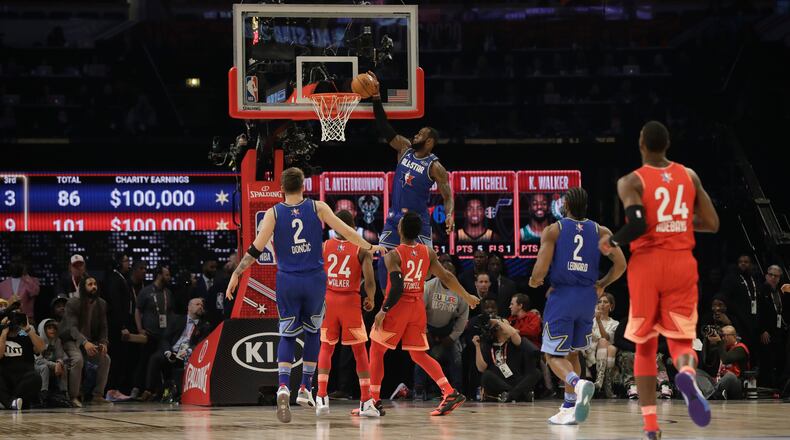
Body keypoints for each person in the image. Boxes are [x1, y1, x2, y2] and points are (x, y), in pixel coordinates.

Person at [225, 167, 385, 424]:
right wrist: (370, 246)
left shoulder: (273, 213)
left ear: (281, 189)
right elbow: (347, 231)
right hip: (314, 282)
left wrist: (236, 273)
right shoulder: (318, 207)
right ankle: (305, 387)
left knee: (287, 334)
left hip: (287, 281)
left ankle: (283, 386)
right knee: (312, 333)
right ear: (303, 186)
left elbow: (255, 249)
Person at [599, 121, 720, 438]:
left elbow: (637, 224)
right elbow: (711, 222)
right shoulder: (689, 175)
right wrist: (677, 221)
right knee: (681, 341)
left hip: (648, 266)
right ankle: (687, 373)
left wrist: (612, 241)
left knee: (645, 347)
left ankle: (651, 426)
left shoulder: (631, 181)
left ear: (641, 143)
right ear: (667, 144)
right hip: (681, 263)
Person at [530, 187, 626, 425]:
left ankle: (578, 383)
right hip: (587, 298)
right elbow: (621, 265)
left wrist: (534, 281)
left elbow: (540, 270)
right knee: (573, 352)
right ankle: (569, 407)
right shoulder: (601, 232)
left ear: (565, 206)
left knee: (552, 356)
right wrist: (602, 284)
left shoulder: (554, 230)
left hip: (563, 296)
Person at [369, 211, 480, 416]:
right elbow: (446, 276)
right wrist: (467, 296)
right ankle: (449, 392)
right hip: (417, 308)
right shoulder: (427, 252)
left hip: (398, 308)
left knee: (376, 351)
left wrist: (383, 310)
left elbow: (397, 287)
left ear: (400, 229)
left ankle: (373, 401)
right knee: (418, 354)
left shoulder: (393, 255)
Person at [368, 72, 454, 290]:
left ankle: (416, 299)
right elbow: (384, 127)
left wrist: (449, 214)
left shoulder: (435, 167)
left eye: (420, 134)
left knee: (427, 268)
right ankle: (386, 300)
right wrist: (376, 97)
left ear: (430, 141)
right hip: (395, 217)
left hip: (418, 221)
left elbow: (448, 196)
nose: (416, 136)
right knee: (382, 259)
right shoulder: (404, 149)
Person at [316, 210, 378, 417]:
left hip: (330, 300)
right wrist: (371, 298)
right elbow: (370, 280)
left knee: (326, 347)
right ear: (352, 227)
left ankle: (321, 397)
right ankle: (366, 400)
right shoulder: (362, 248)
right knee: (359, 351)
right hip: (350, 302)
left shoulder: (325, 246)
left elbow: (315, 273)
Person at [413, 261, 469, 400]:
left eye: (450, 270)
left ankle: (456, 391)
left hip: (448, 330)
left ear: (454, 273)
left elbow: (463, 317)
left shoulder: (460, 290)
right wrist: (425, 332)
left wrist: (452, 337)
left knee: (456, 359)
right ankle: (418, 390)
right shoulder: (428, 286)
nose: (447, 272)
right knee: (420, 357)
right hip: (427, 328)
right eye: (444, 269)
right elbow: (419, 311)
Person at [143, 298, 210, 402]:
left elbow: (200, 344)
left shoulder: (204, 325)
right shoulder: (177, 319)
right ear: (189, 307)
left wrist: (188, 351)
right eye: (197, 304)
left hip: (187, 354)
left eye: (202, 305)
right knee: (155, 358)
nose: (201, 307)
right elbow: (165, 338)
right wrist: (168, 352)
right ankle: (149, 390)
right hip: (172, 351)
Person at [59, 276, 111, 407]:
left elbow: (104, 327)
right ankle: (73, 396)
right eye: (90, 284)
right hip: (71, 339)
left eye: (95, 284)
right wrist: (84, 342)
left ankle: (98, 395)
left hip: (89, 341)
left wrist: (104, 342)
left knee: (105, 359)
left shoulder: (101, 304)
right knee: (78, 359)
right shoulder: (73, 303)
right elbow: (72, 328)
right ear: (83, 287)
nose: (94, 287)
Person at [472, 317, 540, 402]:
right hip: (500, 382)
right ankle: (520, 394)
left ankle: (510, 395)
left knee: (536, 372)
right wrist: (477, 347)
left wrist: (498, 321)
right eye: (504, 325)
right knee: (486, 375)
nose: (508, 327)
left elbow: (514, 333)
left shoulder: (514, 342)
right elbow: (481, 368)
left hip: (517, 380)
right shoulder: (489, 345)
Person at [134, 264, 174, 400]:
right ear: (159, 275)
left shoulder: (168, 293)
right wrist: (140, 329)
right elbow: (138, 310)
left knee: (164, 363)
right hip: (150, 334)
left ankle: (161, 392)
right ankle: (139, 389)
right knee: (145, 362)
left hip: (165, 336)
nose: (169, 277)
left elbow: (171, 313)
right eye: (167, 275)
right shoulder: (146, 291)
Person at [0, 310, 45, 410]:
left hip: (22, 381)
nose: (14, 322)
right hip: (5, 380)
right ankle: (10, 402)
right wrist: (3, 332)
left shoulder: (26, 337)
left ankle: (10, 401)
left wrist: (28, 329)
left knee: (36, 377)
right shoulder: (1, 336)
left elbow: (41, 348)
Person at [104, 252, 132, 393]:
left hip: (119, 325)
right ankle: (111, 389)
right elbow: (116, 305)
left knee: (121, 358)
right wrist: (122, 326)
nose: (128, 264)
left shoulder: (121, 278)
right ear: (119, 263)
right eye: (126, 261)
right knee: (116, 357)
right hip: (115, 326)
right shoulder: (115, 279)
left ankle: (115, 389)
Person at [720, 254, 761, 350]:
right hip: (738, 320)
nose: (743, 264)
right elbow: (724, 297)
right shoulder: (731, 278)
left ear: (751, 264)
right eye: (740, 262)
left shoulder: (755, 279)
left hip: (753, 320)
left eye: (746, 262)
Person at [697, 325, 749, 400]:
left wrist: (719, 342)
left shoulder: (741, 348)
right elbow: (707, 360)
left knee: (730, 376)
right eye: (722, 335)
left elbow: (726, 359)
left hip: (736, 383)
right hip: (719, 383)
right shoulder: (722, 347)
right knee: (696, 372)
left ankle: (714, 395)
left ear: (734, 336)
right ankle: (712, 395)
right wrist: (707, 341)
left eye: (725, 335)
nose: (723, 338)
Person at [582, 293, 619, 397]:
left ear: (611, 306)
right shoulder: (590, 320)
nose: (602, 304)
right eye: (600, 302)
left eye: (605, 302)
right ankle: (604, 383)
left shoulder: (614, 323)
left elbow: (607, 338)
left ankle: (601, 380)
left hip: (604, 352)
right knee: (606, 345)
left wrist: (599, 321)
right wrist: (595, 319)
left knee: (608, 345)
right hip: (590, 351)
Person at [757, 265, 786, 388]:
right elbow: (758, 313)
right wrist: (762, 330)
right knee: (766, 360)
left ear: (779, 278)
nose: (773, 278)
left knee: (779, 359)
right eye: (771, 275)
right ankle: (765, 386)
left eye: (776, 276)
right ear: (766, 276)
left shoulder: (780, 292)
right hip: (765, 331)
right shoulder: (760, 291)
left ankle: (777, 386)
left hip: (778, 331)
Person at [34, 319, 68, 405]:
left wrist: (59, 363)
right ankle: (43, 395)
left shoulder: (57, 341)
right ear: (43, 329)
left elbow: (62, 356)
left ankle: (63, 393)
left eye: (54, 328)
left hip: (52, 366)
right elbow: (38, 360)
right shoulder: (37, 340)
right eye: (49, 328)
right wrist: (55, 365)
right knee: (44, 368)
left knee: (63, 366)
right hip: (36, 366)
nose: (52, 330)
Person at [0, 257, 40, 321]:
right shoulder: (2, 285)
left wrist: (25, 275)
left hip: (26, 320)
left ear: (23, 264)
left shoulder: (32, 281)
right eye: (14, 262)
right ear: (10, 264)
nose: (16, 264)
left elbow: (34, 292)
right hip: (7, 320)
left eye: (19, 262)